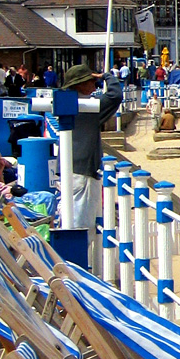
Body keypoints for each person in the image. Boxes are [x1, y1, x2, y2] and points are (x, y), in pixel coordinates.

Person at [60, 64, 123, 258]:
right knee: (82, 222)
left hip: (69, 167)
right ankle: (77, 265)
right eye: (91, 81)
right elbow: (115, 96)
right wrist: (106, 76)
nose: (94, 84)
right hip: (83, 171)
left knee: (71, 218)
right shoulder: (88, 108)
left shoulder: (67, 105)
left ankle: (75, 261)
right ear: (79, 85)